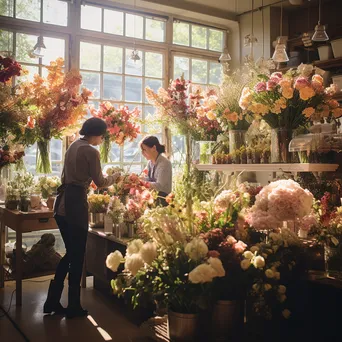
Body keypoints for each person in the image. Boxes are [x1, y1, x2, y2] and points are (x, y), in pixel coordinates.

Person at [43, 117, 120, 318]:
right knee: (77, 256)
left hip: (62, 203)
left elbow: (68, 176)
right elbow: (101, 181)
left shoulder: (73, 146)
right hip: (75, 204)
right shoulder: (91, 151)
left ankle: (52, 301)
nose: (102, 139)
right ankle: (73, 306)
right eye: (102, 135)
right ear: (96, 134)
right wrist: (116, 176)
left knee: (71, 252)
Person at [140, 135, 172, 207]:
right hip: (152, 199)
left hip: (163, 201)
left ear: (154, 148)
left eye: (144, 150)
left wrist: (142, 183)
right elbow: (147, 178)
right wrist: (137, 179)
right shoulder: (150, 163)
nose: (142, 153)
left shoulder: (165, 163)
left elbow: (159, 186)